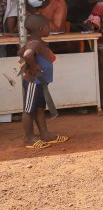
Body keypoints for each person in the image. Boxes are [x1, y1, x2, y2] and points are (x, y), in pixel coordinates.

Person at [18, 14, 69, 150]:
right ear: (41, 28)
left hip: (40, 83)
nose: (50, 28)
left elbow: (21, 52)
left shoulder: (36, 42)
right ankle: (29, 138)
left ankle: (45, 134)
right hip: (33, 83)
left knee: (39, 109)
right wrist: (33, 67)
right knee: (29, 110)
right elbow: (27, 55)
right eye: (48, 26)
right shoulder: (34, 43)